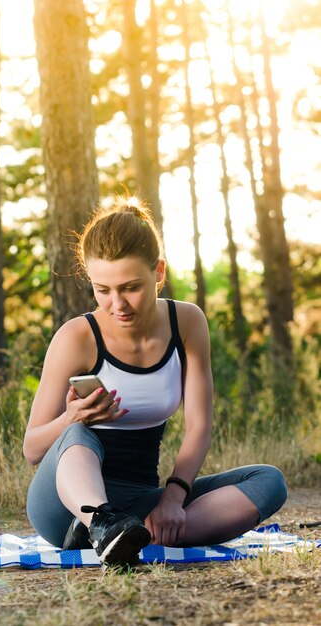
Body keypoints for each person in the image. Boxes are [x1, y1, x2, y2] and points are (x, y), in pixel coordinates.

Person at [23, 198, 287, 569]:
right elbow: (33, 449)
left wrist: (172, 500)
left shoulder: (187, 323)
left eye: (131, 287)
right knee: (79, 433)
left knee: (268, 482)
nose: (117, 304)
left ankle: (135, 535)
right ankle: (102, 526)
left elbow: (199, 426)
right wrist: (72, 417)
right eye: (102, 290)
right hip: (65, 505)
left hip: (142, 498)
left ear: (158, 272)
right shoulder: (77, 337)